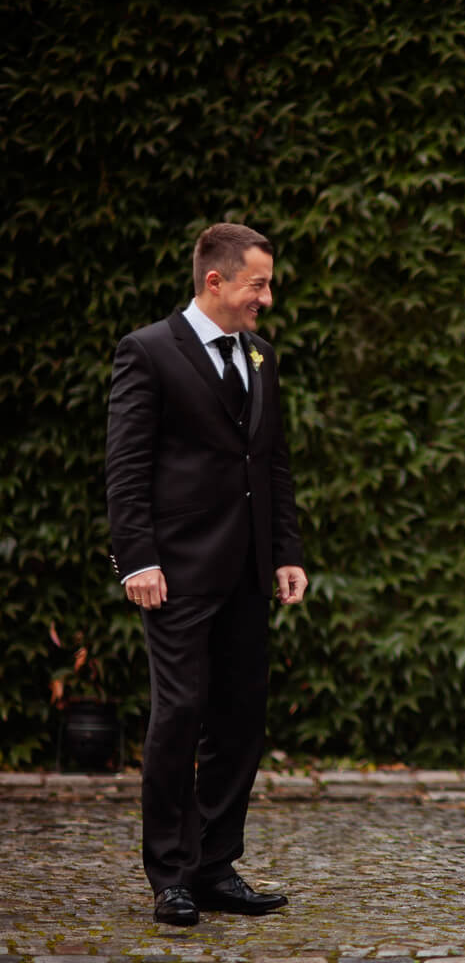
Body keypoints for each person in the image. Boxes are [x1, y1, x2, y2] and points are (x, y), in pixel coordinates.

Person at [105, 223, 307, 926]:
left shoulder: (261, 355)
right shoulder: (149, 351)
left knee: (240, 720)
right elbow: (126, 467)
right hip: (178, 571)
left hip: (250, 570)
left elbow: (270, 461)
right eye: (258, 284)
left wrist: (286, 551)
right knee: (180, 713)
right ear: (215, 281)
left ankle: (216, 866)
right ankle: (170, 876)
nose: (268, 298)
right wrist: (137, 558)